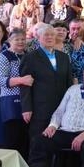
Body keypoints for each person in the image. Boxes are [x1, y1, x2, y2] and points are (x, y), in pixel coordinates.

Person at [19, 23, 74, 152]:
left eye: (52, 35)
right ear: (38, 38)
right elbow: (25, 84)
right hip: (39, 108)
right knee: (38, 141)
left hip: (61, 107)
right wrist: (26, 108)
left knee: (56, 143)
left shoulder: (64, 57)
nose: (49, 37)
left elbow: (69, 83)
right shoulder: (30, 57)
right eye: (46, 35)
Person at [0, 28, 33, 159]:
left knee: (25, 138)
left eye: (23, 39)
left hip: (27, 100)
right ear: (10, 41)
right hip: (10, 100)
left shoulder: (29, 55)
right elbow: (1, 80)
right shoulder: (4, 56)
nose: (21, 42)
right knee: (13, 137)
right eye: (17, 39)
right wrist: (22, 80)